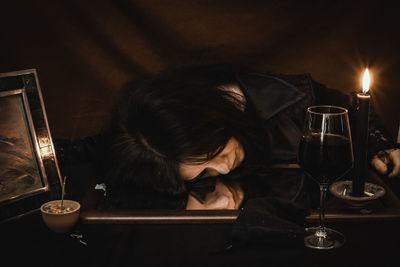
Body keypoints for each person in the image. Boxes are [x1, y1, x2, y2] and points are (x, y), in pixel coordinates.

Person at [96, 63, 400, 211]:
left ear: (215, 122)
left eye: (218, 152)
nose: (225, 168)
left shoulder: (285, 99)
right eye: (206, 170)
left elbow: (357, 111)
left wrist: (379, 145)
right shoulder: (165, 167)